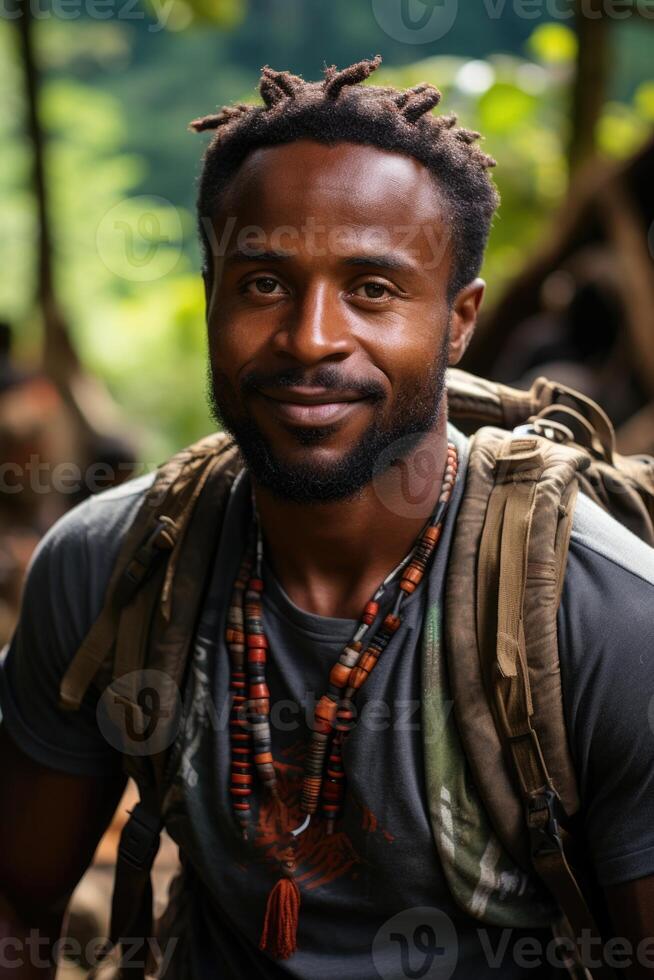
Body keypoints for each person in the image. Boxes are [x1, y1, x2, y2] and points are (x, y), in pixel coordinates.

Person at [1, 56, 653, 980]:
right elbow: (16, 908)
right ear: (212, 296)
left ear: (460, 321)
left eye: (372, 289)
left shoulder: (605, 621)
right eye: (264, 283)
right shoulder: (110, 568)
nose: (311, 338)